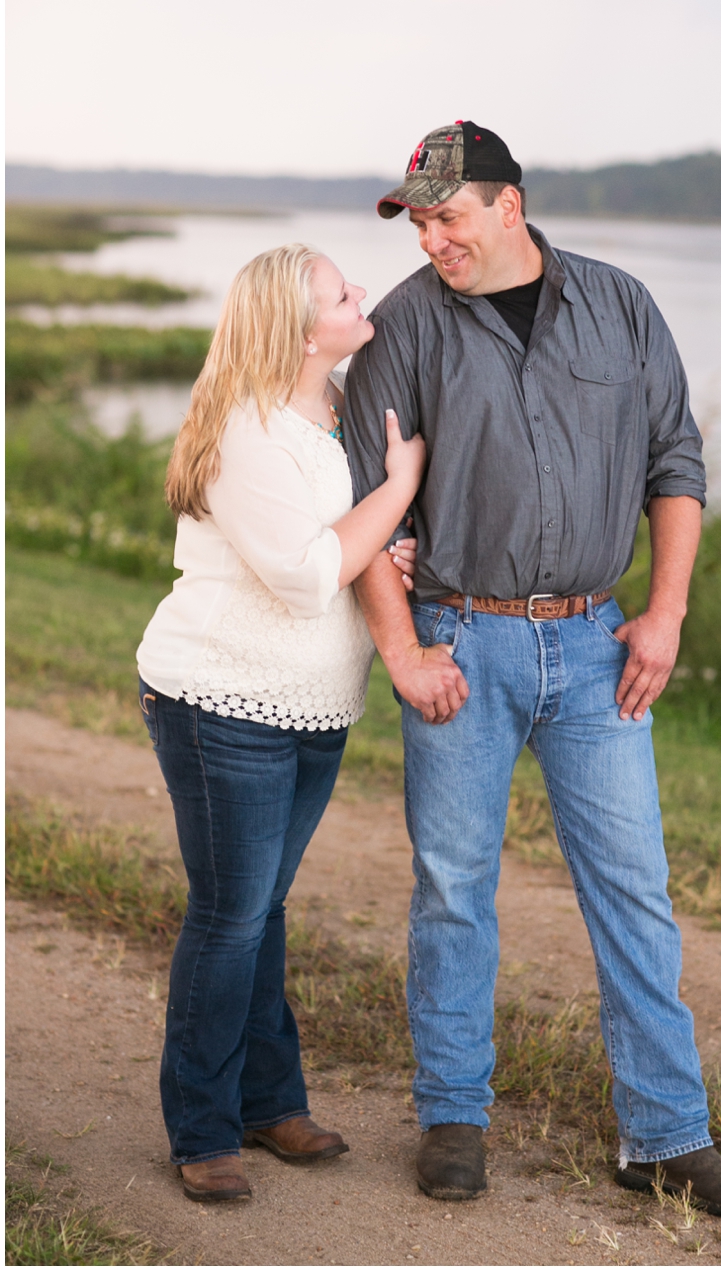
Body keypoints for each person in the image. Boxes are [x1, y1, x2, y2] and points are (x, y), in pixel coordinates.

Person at [343, 121, 721, 1219]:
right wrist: (401, 648)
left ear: (509, 206)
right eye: (421, 220)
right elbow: (358, 508)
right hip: (462, 641)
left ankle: (667, 1137)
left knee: (635, 890)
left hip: (597, 646)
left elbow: (676, 460)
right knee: (453, 891)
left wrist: (666, 614)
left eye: (449, 215)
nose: (433, 237)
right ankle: (453, 1115)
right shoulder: (401, 327)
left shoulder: (621, 306)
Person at [136, 243, 425, 1202]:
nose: (361, 295)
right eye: (343, 293)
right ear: (306, 332)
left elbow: (340, 551)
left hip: (314, 706)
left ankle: (267, 1101)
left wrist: (385, 542)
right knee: (229, 916)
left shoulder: (334, 408)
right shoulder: (244, 431)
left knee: (262, 908)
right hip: (222, 701)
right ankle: (204, 1128)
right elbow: (304, 573)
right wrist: (397, 491)